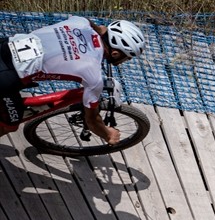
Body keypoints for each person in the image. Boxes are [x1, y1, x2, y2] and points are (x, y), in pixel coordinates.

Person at [1, 16, 147, 144]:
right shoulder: (93, 75)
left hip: (5, 46)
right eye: (127, 57)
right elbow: (92, 122)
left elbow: (97, 27)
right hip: (6, 77)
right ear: (115, 53)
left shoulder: (80, 22)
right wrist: (108, 134)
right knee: (9, 125)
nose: (126, 60)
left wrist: (100, 29)